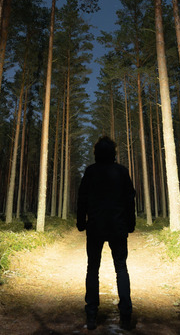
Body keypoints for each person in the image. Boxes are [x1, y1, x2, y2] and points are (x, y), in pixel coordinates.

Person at [76, 136, 136, 330]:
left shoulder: (91, 171)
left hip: (95, 228)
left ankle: (91, 315)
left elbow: (82, 198)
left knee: (92, 269)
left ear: (96, 153)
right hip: (118, 227)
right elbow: (130, 199)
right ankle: (126, 315)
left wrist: (80, 221)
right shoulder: (122, 171)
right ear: (114, 153)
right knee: (121, 269)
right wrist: (130, 223)